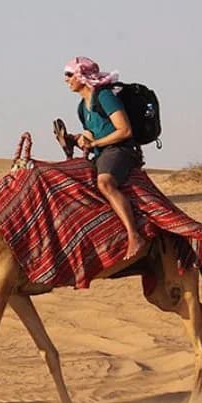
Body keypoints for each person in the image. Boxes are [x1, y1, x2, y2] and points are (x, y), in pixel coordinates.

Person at [63, 56, 147, 260]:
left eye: (69, 74)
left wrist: (95, 144)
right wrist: (74, 140)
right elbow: (91, 134)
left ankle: (134, 235)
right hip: (102, 153)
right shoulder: (82, 107)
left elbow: (124, 130)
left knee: (105, 183)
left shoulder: (105, 97)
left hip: (120, 150)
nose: (66, 80)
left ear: (81, 76)